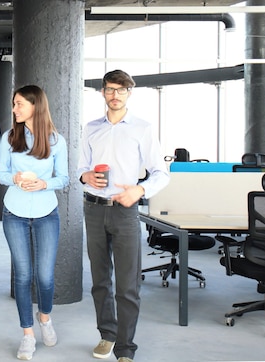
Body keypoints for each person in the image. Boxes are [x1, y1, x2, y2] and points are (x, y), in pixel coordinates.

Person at [77, 70, 170, 362]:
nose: (114, 95)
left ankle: (125, 348)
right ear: (102, 93)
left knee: (128, 284)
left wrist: (139, 191)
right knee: (99, 280)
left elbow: (160, 172)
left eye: (120, 90)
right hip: (93, 208)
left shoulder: (142, 128)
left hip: (126, 211)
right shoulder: (91, 127)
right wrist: (86, 176)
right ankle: (107, 334)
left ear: (130, 92)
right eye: (109, 90)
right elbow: (80, 167)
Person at [0, 85, 69, 360]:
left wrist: (43, 184)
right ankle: (27, 334)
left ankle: (45, 318)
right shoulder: (9, 137)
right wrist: (14, 178)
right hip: (14, 212)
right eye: (14, 104)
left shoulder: (56, 140)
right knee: (23, 276)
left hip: (46, 213)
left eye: (19, 104)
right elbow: (1, 173)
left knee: (45, 277)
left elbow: (63, 179)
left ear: (35, 106)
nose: (14, 109)